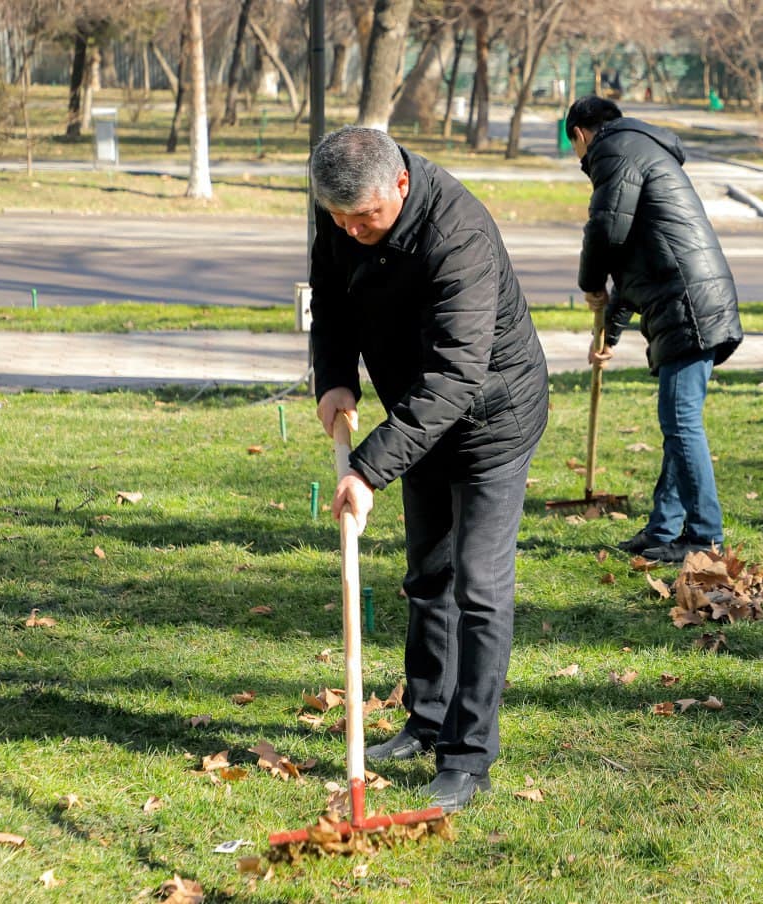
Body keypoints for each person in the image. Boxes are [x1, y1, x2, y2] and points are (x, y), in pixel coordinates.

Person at [308, 126, 549, 813]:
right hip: (420, 416)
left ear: (401, 187)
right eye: (340, 219)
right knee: (427, 576)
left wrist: (369, 467)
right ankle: (426, 719)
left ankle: (468, 759)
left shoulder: (459, 234)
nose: (352, 231)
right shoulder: (339, 205)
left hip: (490, 419)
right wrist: (334, 378)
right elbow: (330, 297)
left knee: (477, 586)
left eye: (367, 219)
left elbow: (457, 373)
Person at [565, 96, 743, 564]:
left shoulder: (614, 151)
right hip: (691, 300)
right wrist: (609, 334)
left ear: (580, 135)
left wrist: (589, 285)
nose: (578, 159)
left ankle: (704, 536)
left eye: (574, 148)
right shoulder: (641, 149)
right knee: (677, 422)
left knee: (680, 421)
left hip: (689, 304)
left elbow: (605, 232)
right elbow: (631, 263)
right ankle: (664, 528)